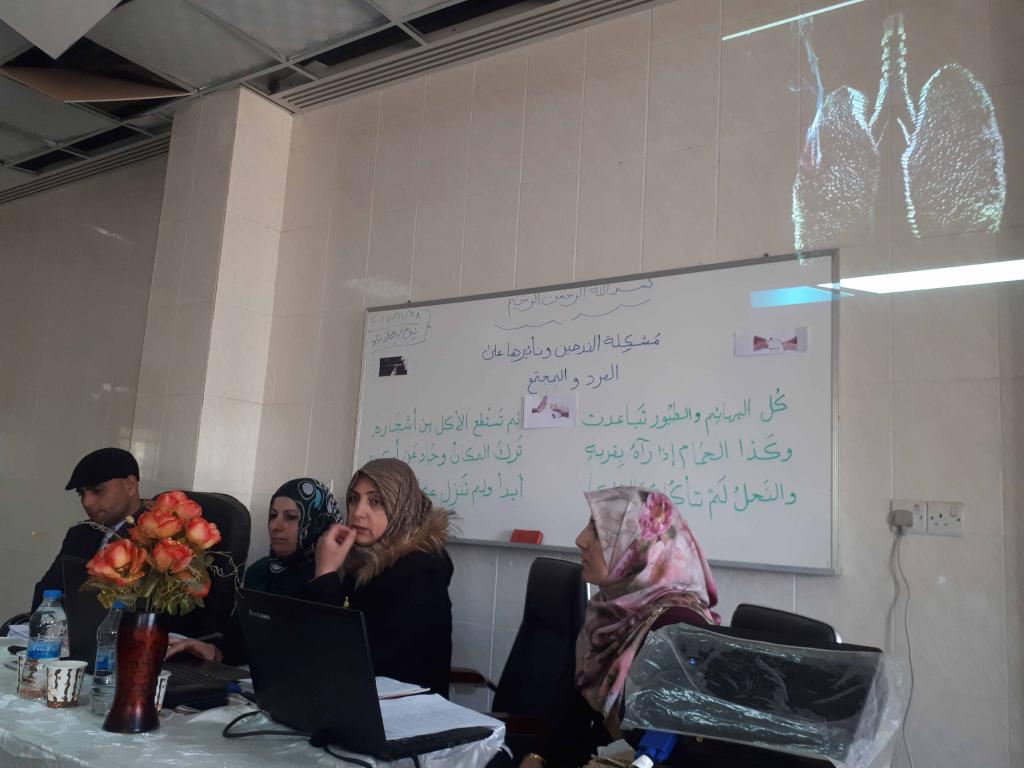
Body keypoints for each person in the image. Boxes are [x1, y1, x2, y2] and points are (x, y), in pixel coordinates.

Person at [520, 486, 720, 768]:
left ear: (640, 548)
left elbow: (681, 747)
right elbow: (571, 701)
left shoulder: (678, 628)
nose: (580, 540)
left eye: (598, 531)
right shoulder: (609, 611)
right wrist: (538, 755)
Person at [299, 458, 454, 696]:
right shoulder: (358, 562)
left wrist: (325, 575)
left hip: (404, 710)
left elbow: (349, 656)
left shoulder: (420, 571)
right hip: (356, 700)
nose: (358, 512)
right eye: (354, 499)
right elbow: (300, 635)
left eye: (375, 501)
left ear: (401, 507)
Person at [168, 477, 343, 662]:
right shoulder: (259, 572)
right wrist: (213, 650)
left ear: (317, 523)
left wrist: (323, 582)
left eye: (291, 517)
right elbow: (240, 642)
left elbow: (317, 654)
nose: (275, 526)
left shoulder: (332, 582)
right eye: (273, 515)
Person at [32, 447, 145, 611]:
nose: (87, 502)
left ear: (130, 485)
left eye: (97, 491)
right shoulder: (82, 533)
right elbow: (48, 591)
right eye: (81, 493)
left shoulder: (157, 536)